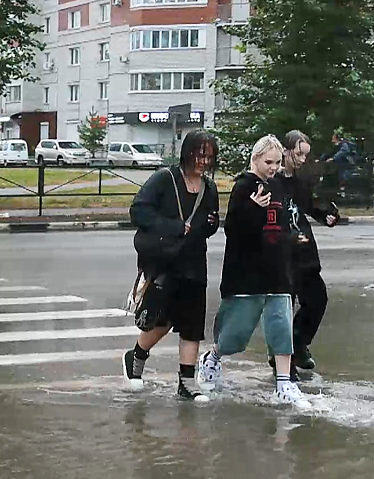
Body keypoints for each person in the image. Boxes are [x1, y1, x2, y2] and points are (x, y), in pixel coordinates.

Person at [197, 135, 313, 409]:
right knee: (235, 333)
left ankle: (284, 383)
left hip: (278, 272)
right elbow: (233, 230)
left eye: (276, 162)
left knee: (281, 327)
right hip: (246, 274)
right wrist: (252, 207)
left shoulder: (278, 187)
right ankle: (212, 358)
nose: (273, 167)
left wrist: (293, 239)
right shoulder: (244, 187)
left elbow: (284, 222)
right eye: (268, 162)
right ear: (255, 159)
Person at [123, 130, 221, 401]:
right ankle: (136, 357)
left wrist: (211, 225)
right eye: (200, 154)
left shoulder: (209, 188)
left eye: (209, 156)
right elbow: (139, 211)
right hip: (165, 261)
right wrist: (175, 227)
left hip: (194, 264)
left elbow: (208, 225)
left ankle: (187, 382)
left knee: (191, 324)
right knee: (162, 320)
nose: (204, 161)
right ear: (187, 152)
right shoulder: (164, 179)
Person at [272, 130, 339, 375]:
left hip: (306, 255)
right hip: (284, 256)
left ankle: (299, 343)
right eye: (298, 154)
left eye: (305, 156)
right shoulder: (272, 182)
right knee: (284, 308)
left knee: (317, 300)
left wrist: (326, 216)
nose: (301, 160)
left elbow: (309, 207)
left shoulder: (299, 183)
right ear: (286, 150)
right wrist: (287, 238)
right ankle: (283, 361)